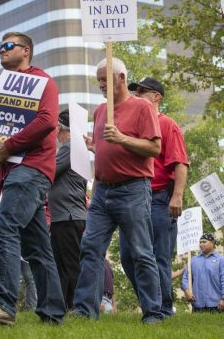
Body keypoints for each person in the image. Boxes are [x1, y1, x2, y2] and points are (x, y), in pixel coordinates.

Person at [0, 32, 64, 326]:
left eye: (8, 46)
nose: (1, 51)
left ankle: (4, 304)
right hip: (13, 174)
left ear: (26, 50)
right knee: (38, 248)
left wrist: (11, 145)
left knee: (5, 227)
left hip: (31, 169)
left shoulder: (44, 82)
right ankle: (53, 313)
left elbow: (46, 121)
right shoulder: (4, 90)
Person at [72, 57, 164, 324]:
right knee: (90, 247)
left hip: (133, 190)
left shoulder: (142, 107)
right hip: (102, 192)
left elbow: (154, 148)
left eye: (106, 79)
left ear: (122, 78)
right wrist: (96, 150)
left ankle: (153, 313)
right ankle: (85, 310)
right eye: (98, 80)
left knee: (140, 252)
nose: (101, 84)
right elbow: (106, 151)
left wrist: (121, 138)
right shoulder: (101, 111)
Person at [120, 77, 189, 317]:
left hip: (160, 198)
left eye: (141, 92)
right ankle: (150, 304)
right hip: (132, 197)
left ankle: (163, 309)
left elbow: (180, 163)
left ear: (156, 97)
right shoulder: (132, 128)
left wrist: (177, 196)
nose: (135, 95)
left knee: (159, 256)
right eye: (134, 91)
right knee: (128, 255)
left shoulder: (167, 124)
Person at [49, 110, 87, 310]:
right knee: (63, 265)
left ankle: (78, 306)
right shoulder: (77, 148)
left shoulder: (69, 147)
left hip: (68, 217)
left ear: (60, 127)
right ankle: (67, 306)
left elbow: (49, 171)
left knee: (69, 264)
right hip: (65, 216)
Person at [181, 234, 224, 312]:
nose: (201, 244)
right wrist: (187, 292)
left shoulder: (222, 260)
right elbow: (185, 278)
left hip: (217, 305)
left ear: (213, 243)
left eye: (204, 242)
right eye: (200, 242)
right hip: (197, 304)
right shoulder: (193, 260)